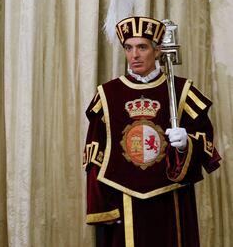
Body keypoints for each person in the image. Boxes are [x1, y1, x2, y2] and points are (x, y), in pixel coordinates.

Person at [83, 16, 221, 247]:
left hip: (171, 199)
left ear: (157, 51)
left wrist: (187, 144)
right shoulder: (107, 94)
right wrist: (102, 208)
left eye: (142, 47)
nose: (134, 55)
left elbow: (207, 146)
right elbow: (94, 155)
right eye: (128, 47)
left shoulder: (181, 90)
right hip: (123, 200)